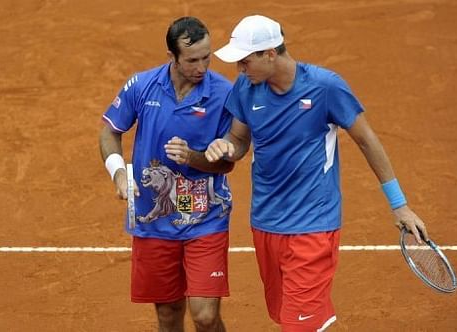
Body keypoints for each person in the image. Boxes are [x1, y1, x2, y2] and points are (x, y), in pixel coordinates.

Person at [205, 15, 429, 332]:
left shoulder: (325, 87)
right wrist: (225, 146)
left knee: (298, 327)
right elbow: (239, 139)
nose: (239, 70)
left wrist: (399, 204)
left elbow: (367, 140)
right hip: (266, 223)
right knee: (290, 317)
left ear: (270, 54)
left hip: (313, 225)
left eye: (245, 61)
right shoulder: (247, 86)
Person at [99, 17, 234, 332]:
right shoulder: (142, 85)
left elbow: (227, 163)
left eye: (206, 58)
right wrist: (118, 173)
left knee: (205, 316)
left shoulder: (224, 94)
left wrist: (192, 156)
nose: (201, 67)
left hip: (204, 214)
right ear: (172, 57)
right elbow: (110, 131)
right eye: (192, 60)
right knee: (169, 313)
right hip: (154, 216)